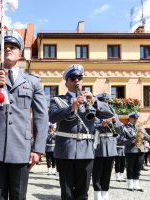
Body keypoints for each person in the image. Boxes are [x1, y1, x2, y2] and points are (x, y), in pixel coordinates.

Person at [0, 30, 48, 200]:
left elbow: (42, 117)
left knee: (19, 196)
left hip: (22, 148)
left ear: (20, 53)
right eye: (4, 47)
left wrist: (38, 149)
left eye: (13, 47)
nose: (8, 49)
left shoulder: (33, 82)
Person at [49, 64, 114, 200]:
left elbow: (110, 114)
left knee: (83, 192)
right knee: (67, 192)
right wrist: (71, 107)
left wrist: (95, 101)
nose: (77, 81)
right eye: (73, 78)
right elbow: (52, 116)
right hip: (65, 150)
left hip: (86, 151)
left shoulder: (90, 100)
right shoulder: (58, 100)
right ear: (66, 83)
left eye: (79, 78)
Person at [92, 93, 123, 200]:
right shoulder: (94, 112)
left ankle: (105, 193)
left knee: (107, 172)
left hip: (111, 146)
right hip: (99, 145)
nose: (105, 104)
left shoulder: (113, 113)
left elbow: (120, 128)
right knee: (97, 172)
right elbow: (91, 127)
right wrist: (102, 124)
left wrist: (114, 122)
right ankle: (97, 194)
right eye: (103, 101)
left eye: (106, 101)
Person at [121, 112, 150, 192]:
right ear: (130, 119)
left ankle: (136, 184)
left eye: (136, 118)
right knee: (130, 168)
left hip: (140, 150)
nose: (135, 120)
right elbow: (121, 140)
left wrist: (144, 133)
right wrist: (131, 141)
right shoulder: (125, 128)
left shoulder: (140, 127)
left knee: (138, 168)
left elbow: (148, 138)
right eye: (134, 118)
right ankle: (130, 184)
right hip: (130, 151)